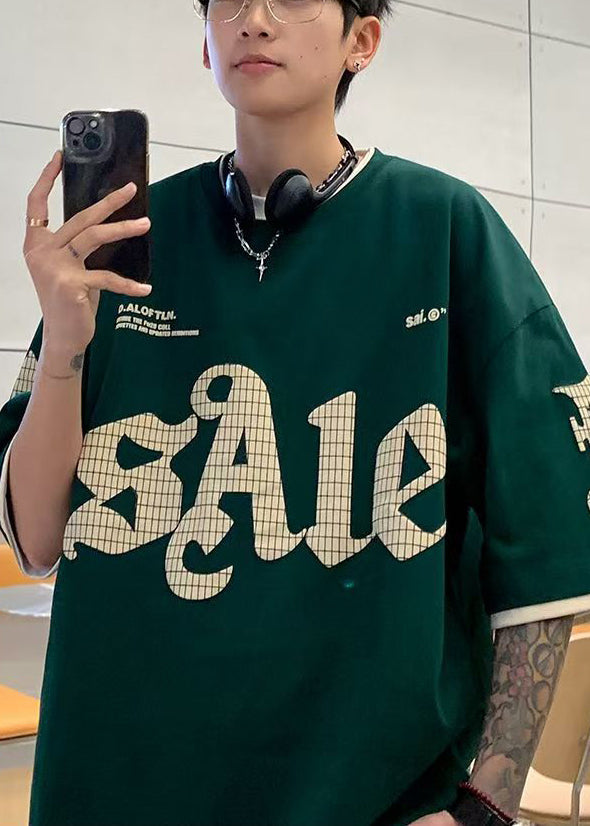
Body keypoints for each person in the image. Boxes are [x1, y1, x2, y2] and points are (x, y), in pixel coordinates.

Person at [1, 0, 590, 822]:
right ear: (204, 44)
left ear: (362, 41)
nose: (255, 19)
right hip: (117, 780)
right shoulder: (122, 244)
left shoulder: (446, 232)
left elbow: (548, 545)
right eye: (230, 2)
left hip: (367, 791)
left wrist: (482, 807)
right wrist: (66, 346)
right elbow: (35, 540)